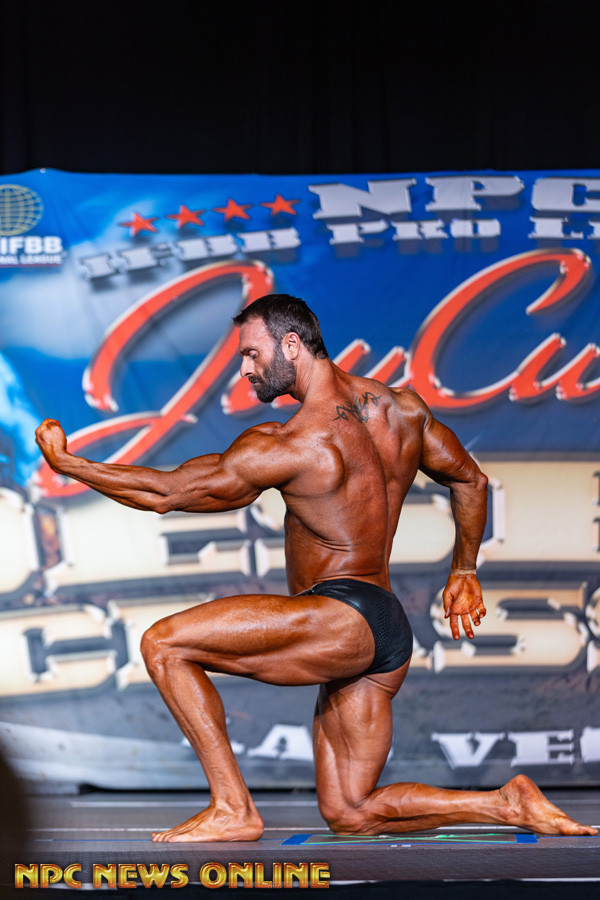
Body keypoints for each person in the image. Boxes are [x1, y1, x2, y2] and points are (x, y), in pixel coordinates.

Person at [35, 294, 596, 843]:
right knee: (351, 811)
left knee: (164, 644)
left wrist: (71, 464)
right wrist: (464, 571)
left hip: (340, 615)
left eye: (251, 354)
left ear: (291, 344)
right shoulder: (402, 409)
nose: (245, 369)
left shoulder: (292, 441)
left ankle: (232, 808)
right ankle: (505, 803)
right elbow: (470, 479)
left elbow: (167, 493)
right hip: (385, 627)